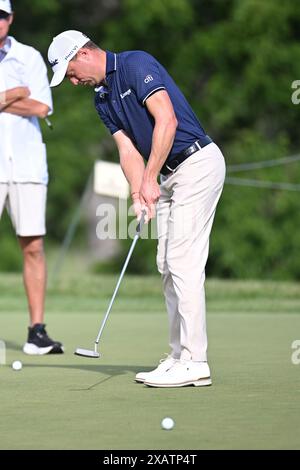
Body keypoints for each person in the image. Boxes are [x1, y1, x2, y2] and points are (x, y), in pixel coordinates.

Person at [48, 30, 226, 386]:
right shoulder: (101, 100)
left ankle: (196, 359)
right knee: (166, 263)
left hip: (198, 164)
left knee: (181, 260)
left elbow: (167, 120)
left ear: (83, 53)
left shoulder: (135, 64)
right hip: (169, 174)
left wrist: (150, 178)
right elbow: (127, 151)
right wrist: (137, 191)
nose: (72, 81)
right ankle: (178, 357)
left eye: (69, 72)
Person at [0, 0, 64, 354]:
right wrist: (14, 93)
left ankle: (36, 332)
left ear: (10, 18)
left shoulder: (29, 56)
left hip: (26, 165)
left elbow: (42, 106)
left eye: (2, 16)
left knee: (34, 246)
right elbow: (29, 100)